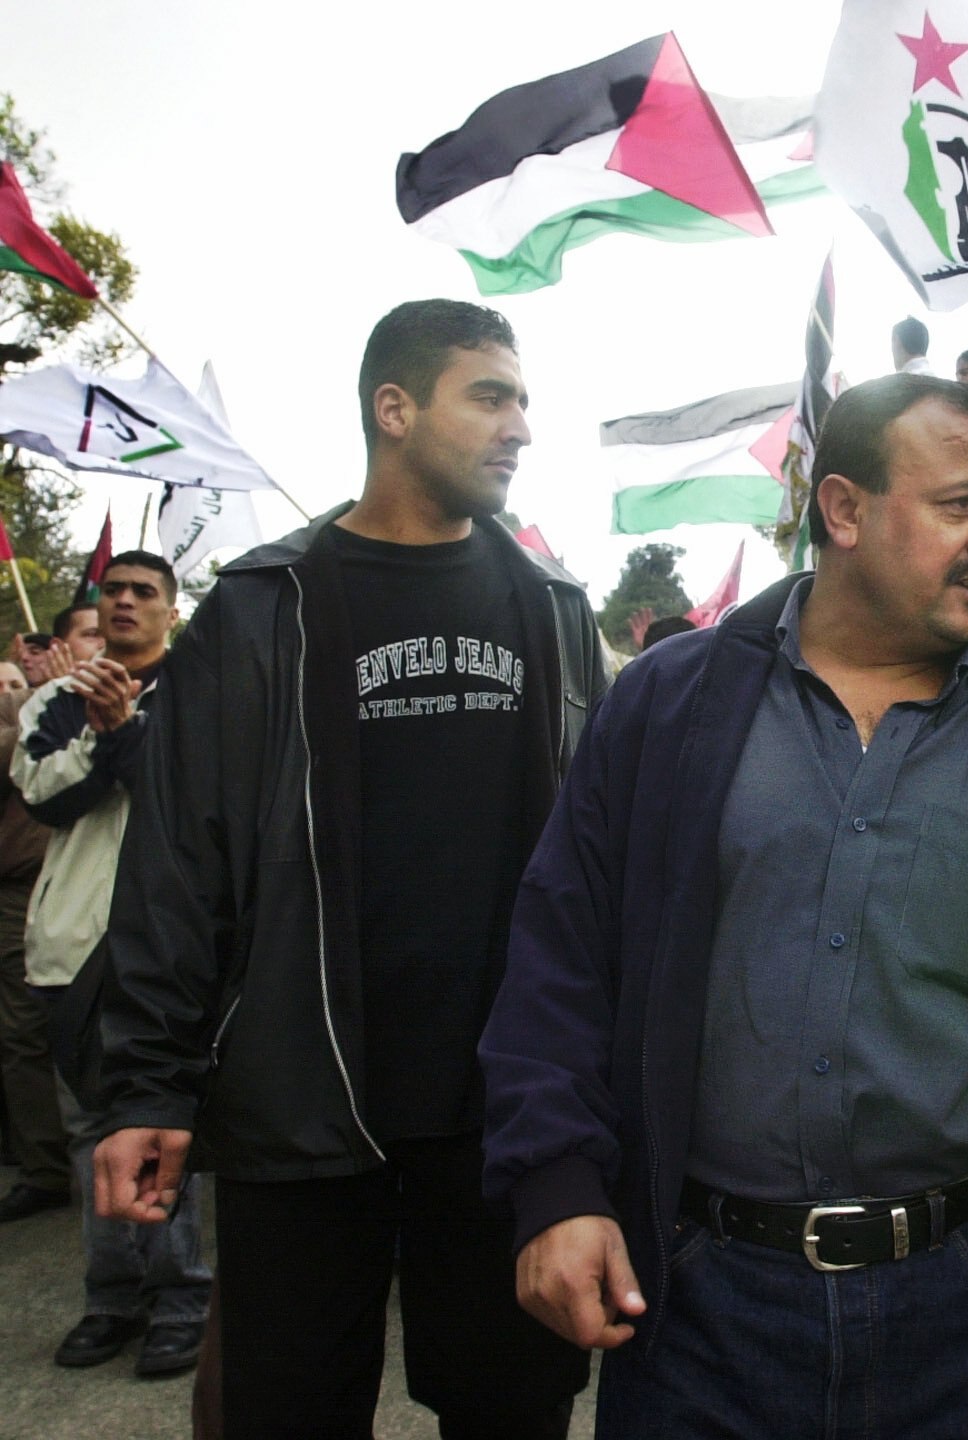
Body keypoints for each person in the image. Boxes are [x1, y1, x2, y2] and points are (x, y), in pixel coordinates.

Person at [481, 373, 968, 1439]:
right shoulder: (667, 710)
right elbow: (560, 962)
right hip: (703, 1316)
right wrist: (557, 1184)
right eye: (959, 504)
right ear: (845, 510)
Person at [91, 299, 608, 1438]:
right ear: (394, 408)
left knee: (512, 1409)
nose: (518, 424)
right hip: (301, 1105)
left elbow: (604, 862)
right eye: (489, 395)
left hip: (503, 1115)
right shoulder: (260, 610)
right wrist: (146, 1086)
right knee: (290, 1410)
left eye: (523, 399)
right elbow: (181, 862)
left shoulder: (555, 612)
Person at [11, 551, 210, 1375]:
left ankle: (181, 1297)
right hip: (76, 943)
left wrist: (126, 731)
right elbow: (45, 796)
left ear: (172, 610)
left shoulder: (203, 697)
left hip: (168, 940)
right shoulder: (61, 700)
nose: (125, 603)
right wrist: (102, 735)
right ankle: (110, 1298)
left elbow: (180, 791)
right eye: (113, 592)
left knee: (165, 1125)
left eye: (144, 593)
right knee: (94, 1126)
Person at [0, 652, 60, 1224]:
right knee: (21, 1036)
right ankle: (43, 1163)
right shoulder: (35, 710)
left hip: (60, 892)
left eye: (12, 685)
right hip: (25, 895)